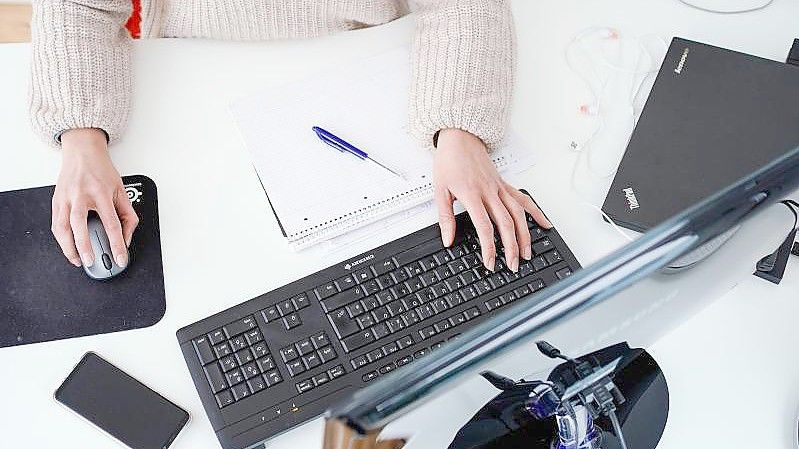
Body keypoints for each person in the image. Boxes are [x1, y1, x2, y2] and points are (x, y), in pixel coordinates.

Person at [29, 0, 551, 275]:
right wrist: (81, 135)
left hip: (366, 55)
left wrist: (460, 128)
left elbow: (463, 4)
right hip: (193, 73)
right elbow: (78, 5)